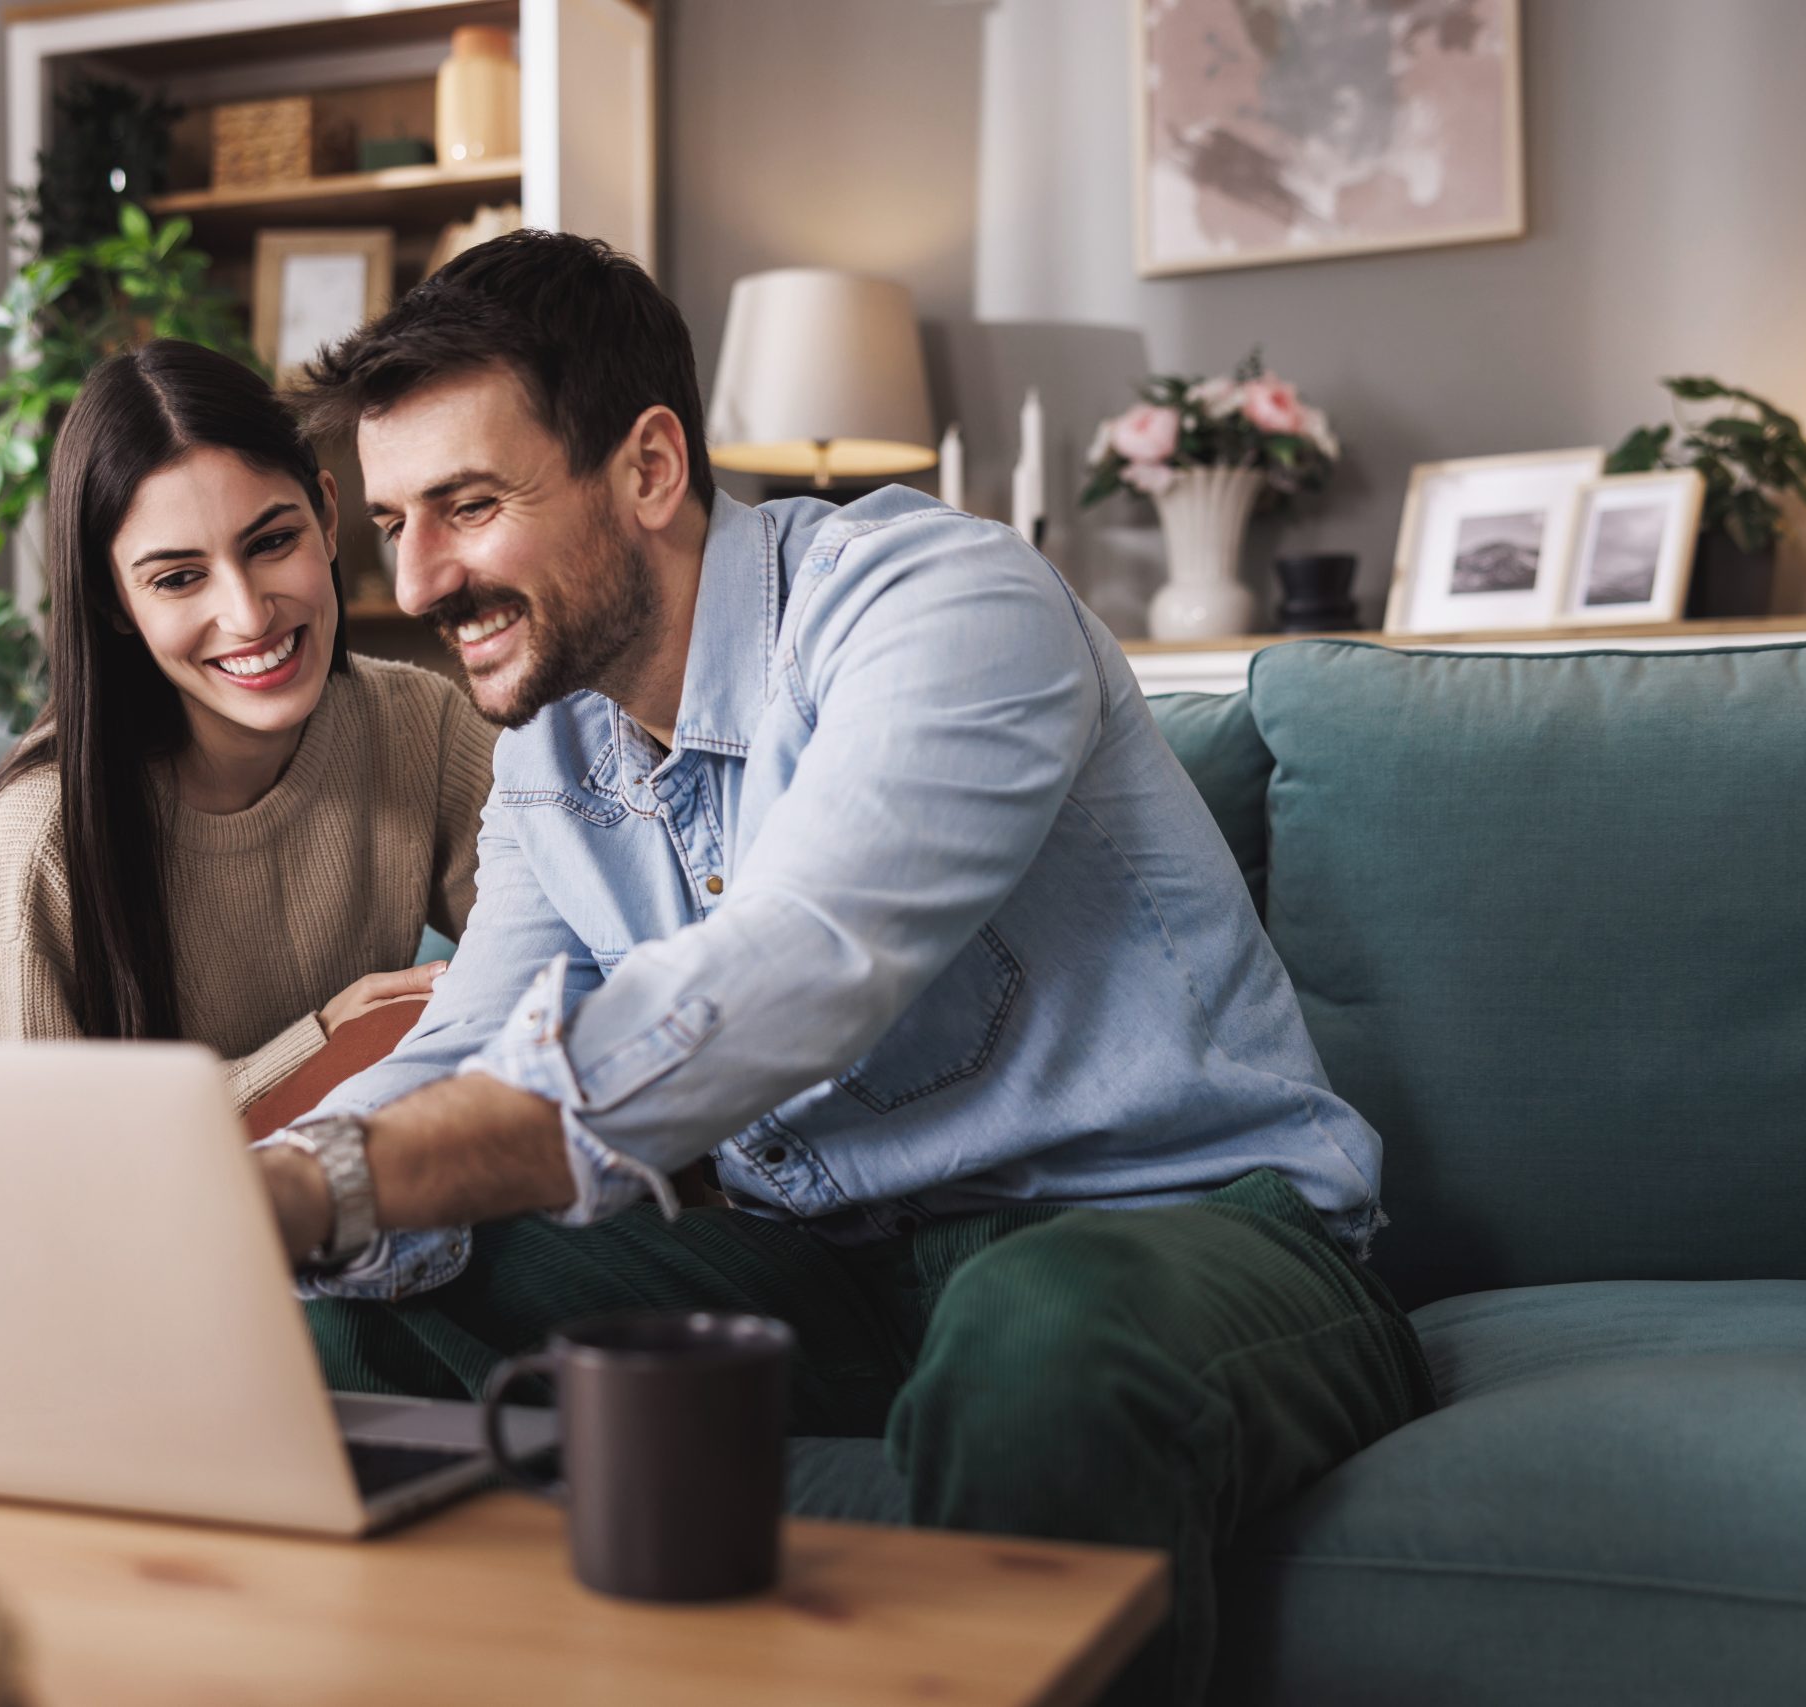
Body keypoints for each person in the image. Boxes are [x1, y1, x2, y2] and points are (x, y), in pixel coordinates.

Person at [260, 234, 1431, 1705]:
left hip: (1188, 1237)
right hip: (836, 1277)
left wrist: (336, 1176)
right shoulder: (551, 756)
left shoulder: (937, 602)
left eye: (470, 506)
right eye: (392, 521)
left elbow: (805, 963)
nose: (420, 576)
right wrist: (261, 1188)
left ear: (649, 467)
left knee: (1040, 1334)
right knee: (346, 1294)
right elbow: (466, 1055)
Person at [0, 341, 494, 1112]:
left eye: (272, 542)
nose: (246, 613)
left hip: (375, 1207)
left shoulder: (417, 726)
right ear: (114, 604)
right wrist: (321, 1049)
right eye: (177, 578)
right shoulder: (42, 841)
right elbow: (26, 1169)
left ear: (329, 518)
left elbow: (577, 957)